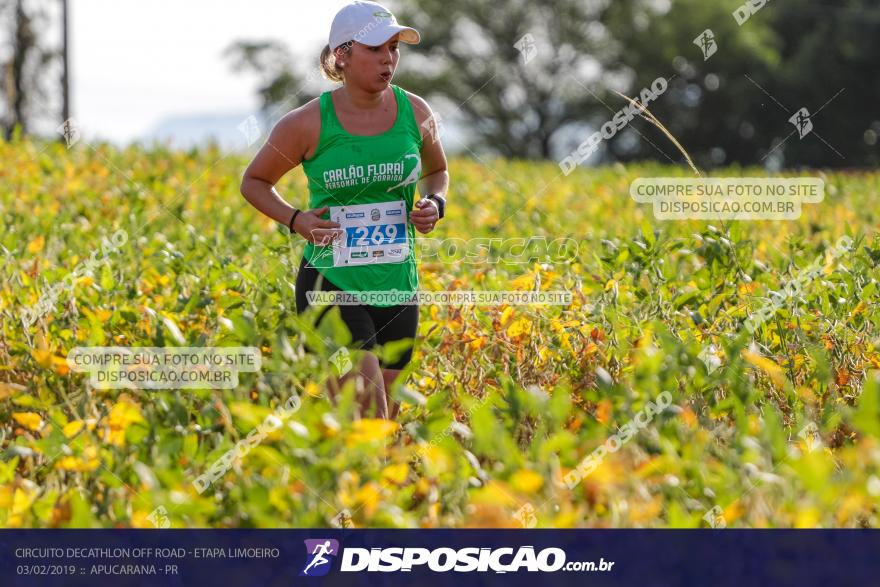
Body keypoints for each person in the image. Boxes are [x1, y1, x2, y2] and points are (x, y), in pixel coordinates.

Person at [240, 1, 449, 419]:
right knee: (368, 415)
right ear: (343, 54)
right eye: (376, 49)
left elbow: (438, 170)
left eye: (394, 48)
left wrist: (435, 204)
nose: (388, 59)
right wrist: (297, 220)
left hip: (396, 284)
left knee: (379, 425)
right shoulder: (305, 123)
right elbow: (254, 182)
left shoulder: (417, 112)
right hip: (329, 283)